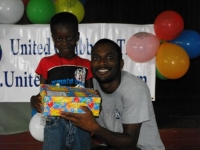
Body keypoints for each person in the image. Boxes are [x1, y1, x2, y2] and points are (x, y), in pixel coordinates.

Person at [60, 38, 165, 150]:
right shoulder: (89, 85)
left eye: (110, 57)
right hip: (110, 146)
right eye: (96, 58)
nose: (102, 63)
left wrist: (94, 128)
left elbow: (130, 143)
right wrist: (40, 99)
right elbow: (61, 97)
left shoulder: (134, 89)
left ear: (121, 64)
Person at [30, 12, 93, 150]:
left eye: (69, 37)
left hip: (81, 122)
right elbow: (42, 93)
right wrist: (34, 99)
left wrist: (96, 99)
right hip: (55, 122)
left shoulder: (86, 64)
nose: (64, 43)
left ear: (77, 37)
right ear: (53, 39)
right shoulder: (46, 62)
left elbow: (90, 94)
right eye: (59, 38)